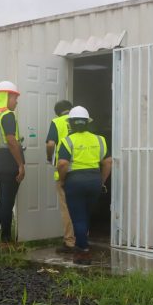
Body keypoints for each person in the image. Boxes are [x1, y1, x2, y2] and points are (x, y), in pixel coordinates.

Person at [56, 106, 112, 265]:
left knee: (78, 218)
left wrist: (62, 180)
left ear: (71, 124)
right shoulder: (99, 139)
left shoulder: (67, 141)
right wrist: (101, 180)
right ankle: (83, 246)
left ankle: (82, 251)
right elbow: (108, 162)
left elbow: (62, 164)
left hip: (75, 181)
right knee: (85, 216)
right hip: (94, 179)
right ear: (87, 123)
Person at [0, 80, 25, 251]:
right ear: (6, 97)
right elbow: (11, 140)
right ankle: (6, 242)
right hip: (9, 165)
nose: (16, 102)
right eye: (15, 98)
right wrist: (21, 165)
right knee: (7, 204)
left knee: (3, 201)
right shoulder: (7, 115)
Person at [45, 99, 75, 254]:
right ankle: (83, 238)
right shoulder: (80, 121)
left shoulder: (57, 122)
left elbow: (50, 144)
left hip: (64, 170)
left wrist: (49, 158)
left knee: (66, 208)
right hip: (84, 170)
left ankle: (70, 242)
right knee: (81, 206)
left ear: (57, 112)